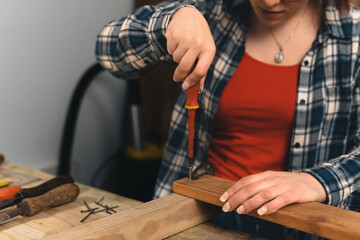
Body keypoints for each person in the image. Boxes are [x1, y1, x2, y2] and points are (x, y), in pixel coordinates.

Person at [96, 0, 360, 238]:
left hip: (297, 228)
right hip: (196, 216)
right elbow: (108, 53)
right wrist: (170, 21)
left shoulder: (354, 40)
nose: (269, 2)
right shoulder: (214, 13)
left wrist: (317, 181)